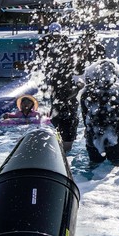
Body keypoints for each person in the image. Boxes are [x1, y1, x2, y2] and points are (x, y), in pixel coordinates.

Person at [80, 59, 119, 165]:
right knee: (116, 164)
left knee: (94, 165)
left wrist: (86, 129)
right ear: (115, 74)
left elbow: (85, 115)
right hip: (115, 134)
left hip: (94, 134)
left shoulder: (87, 92)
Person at [33, 22, 79, 152]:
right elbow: (39, 57)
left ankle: (62, 145)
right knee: (59, 111)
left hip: (63, 96)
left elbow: (73, 59)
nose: (56, 37)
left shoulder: (66, 42)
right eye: (54, 35)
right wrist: (78, 88)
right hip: (59, 93)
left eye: (57, 35)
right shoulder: (44, 42)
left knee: (62, 113)